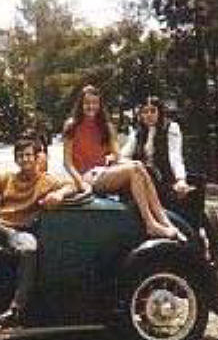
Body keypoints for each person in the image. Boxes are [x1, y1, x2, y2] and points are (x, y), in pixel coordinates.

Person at [0, 138, 77, 328]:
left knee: (29, 248)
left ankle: (16, 309)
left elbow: (71, 185)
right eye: (20, 156)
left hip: (20, 231)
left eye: (28, 155)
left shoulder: (46, 181)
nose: (25, 159)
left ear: (36, 158)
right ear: (16, 159)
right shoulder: (7, 178)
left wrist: (58, 194)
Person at [62, 84, 185, 241]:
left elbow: (118, 155)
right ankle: (150, 223)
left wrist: (114, 159)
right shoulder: (72, 125)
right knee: (134, 168)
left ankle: (164, 221)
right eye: (87, 103)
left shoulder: (106, 126)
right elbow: (67, 162)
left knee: (138, 166)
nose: (91, 107)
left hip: (103, 172)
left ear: (99, 105)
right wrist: (80, 182)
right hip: (86, 175)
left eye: (95, 103)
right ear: (81, 104)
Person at [121, 96, 201, 226]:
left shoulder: (171, 128)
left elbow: (175, 155)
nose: (149, 115)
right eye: (145, 112)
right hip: (143, 178)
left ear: (159, 112)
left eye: (153, 111)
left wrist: (181, 179)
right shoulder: (138, 132)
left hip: (164, 179)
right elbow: (125, 154)